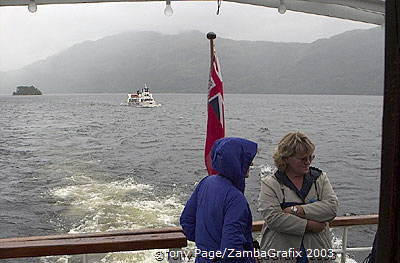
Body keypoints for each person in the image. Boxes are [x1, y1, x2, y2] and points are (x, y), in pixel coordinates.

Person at [258, 132, 338, 263]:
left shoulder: (319, 179)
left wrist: (296, 210)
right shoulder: (271, 183)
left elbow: (331, 208)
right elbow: (273, 218)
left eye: (310, 157)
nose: (308, 162)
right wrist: (309, 225)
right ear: (286, 158)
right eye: (302, 159)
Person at [180, 137, 258, 263]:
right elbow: (231, 252)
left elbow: (187, 222)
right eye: (247, 159)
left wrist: (207, 244)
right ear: (237, 161)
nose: (251, 164)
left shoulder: (206, 182)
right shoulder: (236, 199)